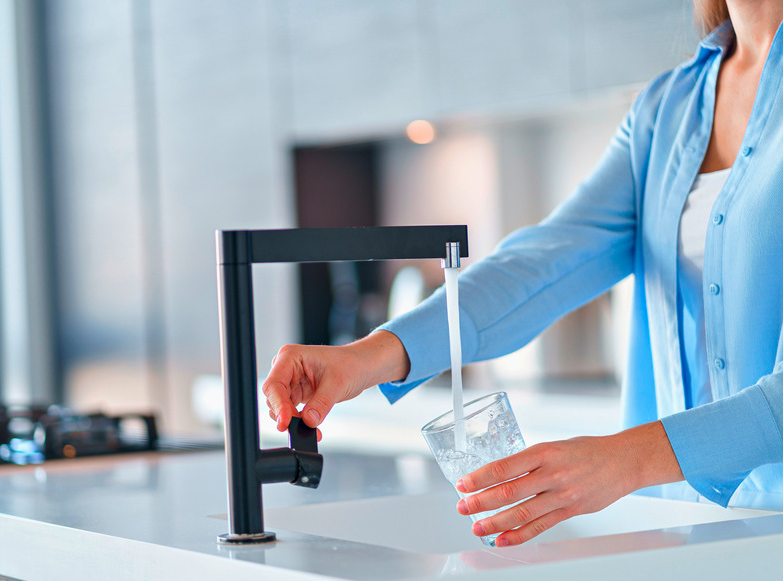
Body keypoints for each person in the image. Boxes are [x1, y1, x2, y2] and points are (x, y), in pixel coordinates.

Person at [263, 0, 783, 548]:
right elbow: (544, 263)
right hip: (679, 523)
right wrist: (365, 357)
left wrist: (624, 459)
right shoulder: (667, 108)